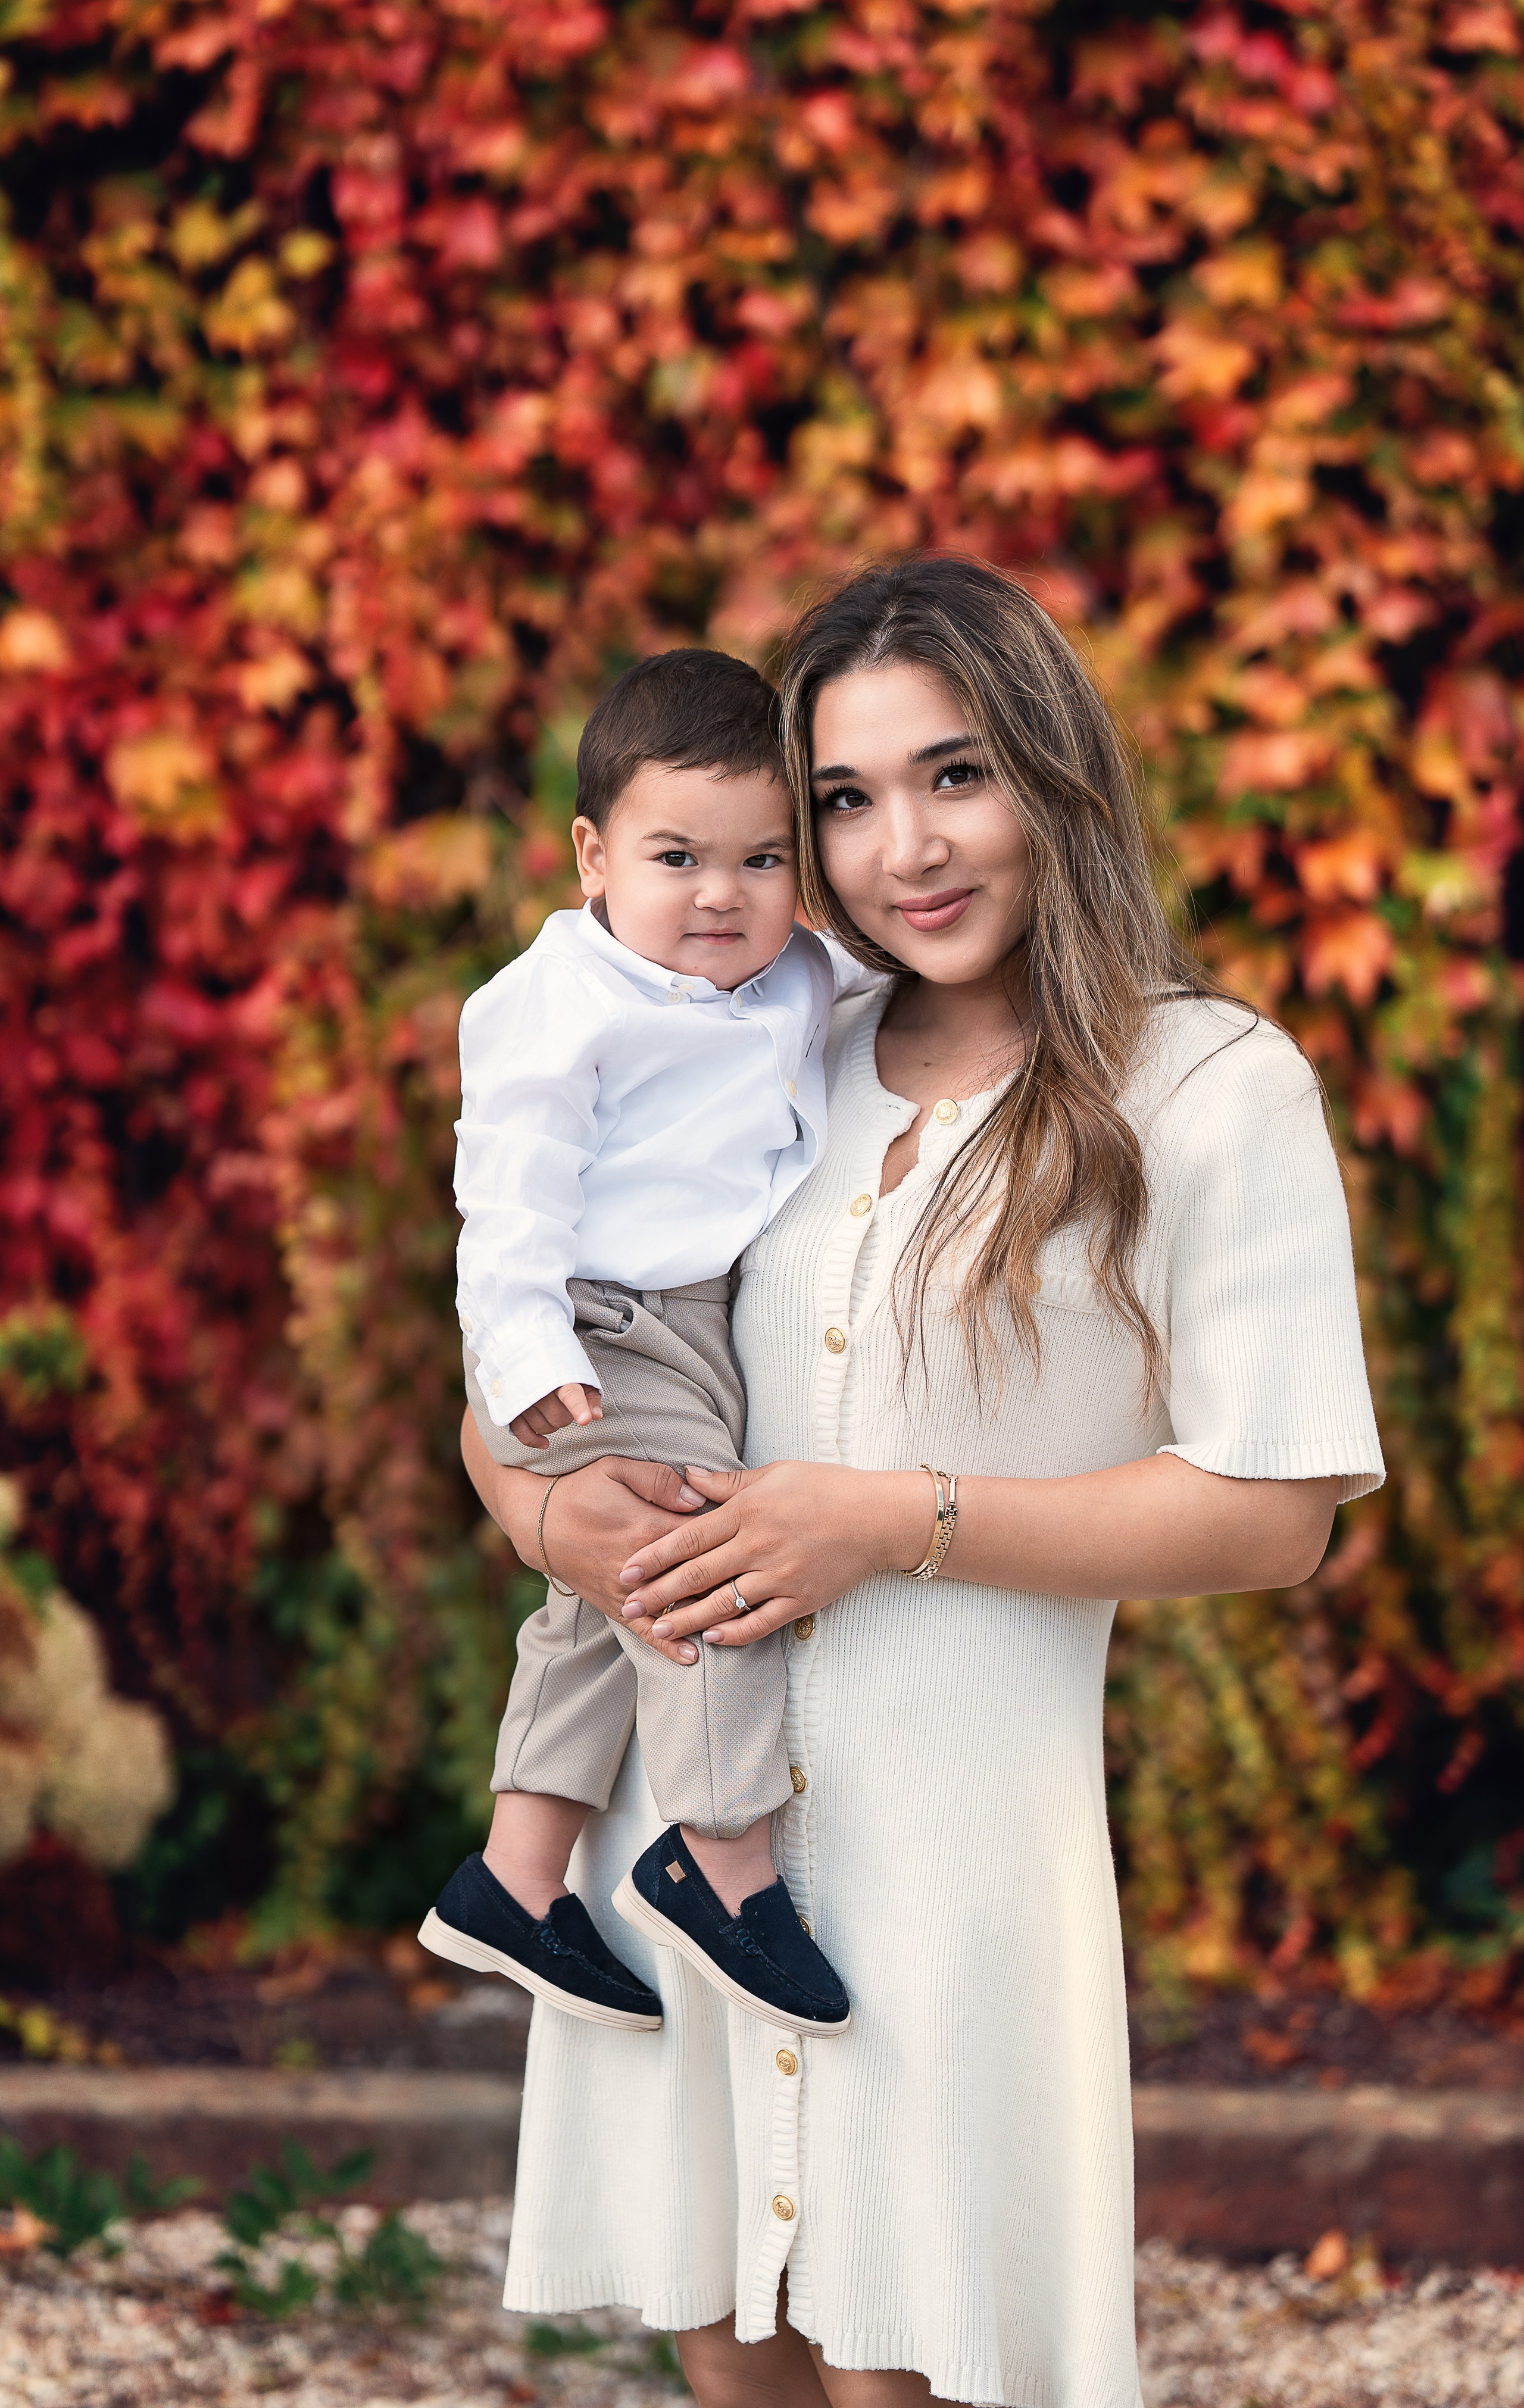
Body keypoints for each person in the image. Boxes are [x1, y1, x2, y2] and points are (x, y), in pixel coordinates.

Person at [461, 557, 1385, 2408]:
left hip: (950, 1861)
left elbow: (1273, 1508)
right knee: (731, 2348)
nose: (907, 849)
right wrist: (559, 1519)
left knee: (924, 2365)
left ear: (1053, 774)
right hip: (689, 1827)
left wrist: (894, 1517)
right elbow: (537, 1344)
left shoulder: (1207, 1082)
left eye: (956, 775)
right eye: (845, 800)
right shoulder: (758, 1036)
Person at [420, 648, 859, 2039]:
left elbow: (884, 978)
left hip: (688, 1327)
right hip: (596, 1326)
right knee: (695, 1575)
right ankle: (721, 1863)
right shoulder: (558, 1007)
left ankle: (515, 1873)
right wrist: (525, 1354)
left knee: (597, 1606)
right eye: (678, 857)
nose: (721, 895)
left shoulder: (791, 973)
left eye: (762, 858)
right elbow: (505, 1197)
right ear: (592, 856)